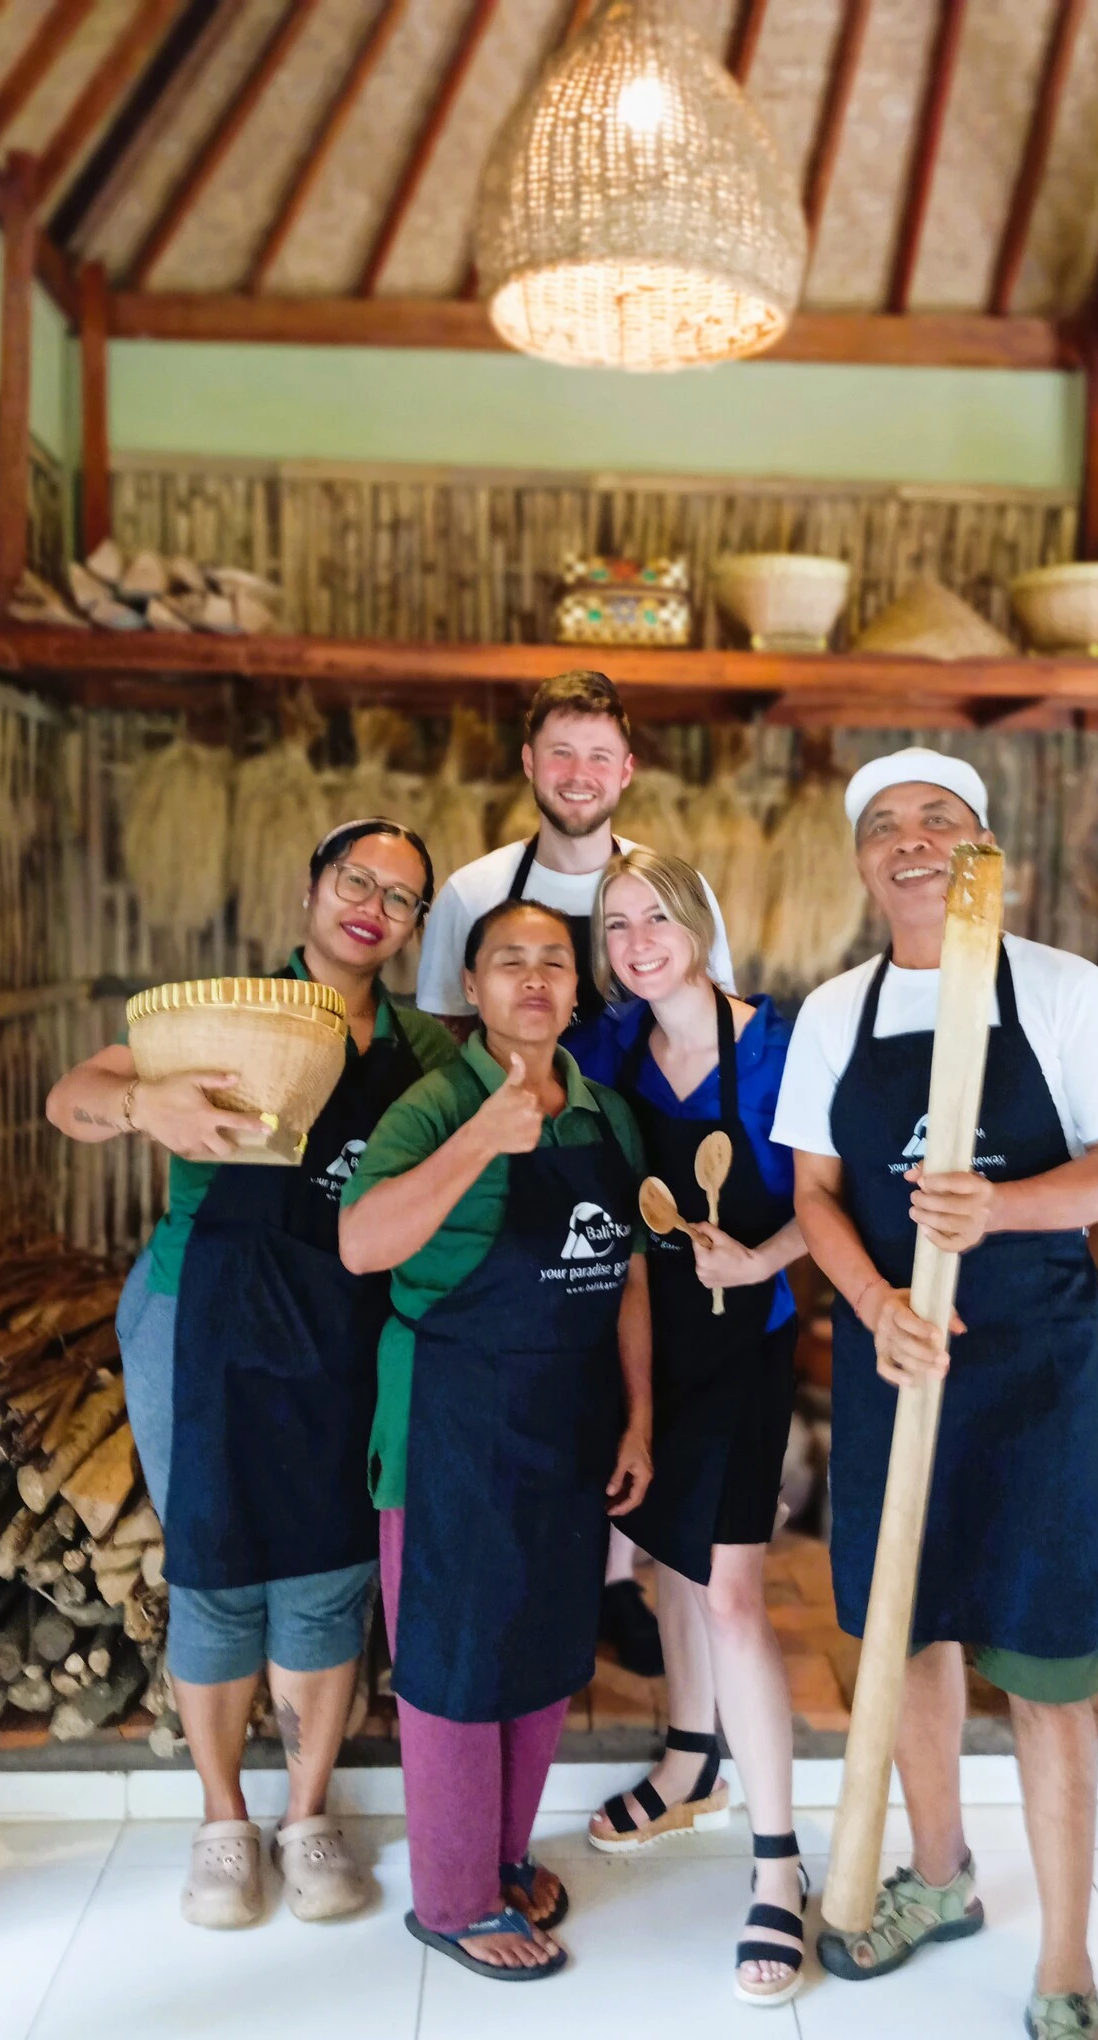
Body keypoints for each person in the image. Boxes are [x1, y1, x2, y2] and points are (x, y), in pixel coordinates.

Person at [770, 749, 1098, 2040]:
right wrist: (878, 1306)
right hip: (901, 1367)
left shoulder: (1058, 990)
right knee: (912, 1635)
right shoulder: (836, 1012)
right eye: (885, 824)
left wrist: (999, 1206)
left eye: (939, 817)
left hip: (1037, 1376)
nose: (912, 838)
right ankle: (939, 1881)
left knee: (1050, 1672)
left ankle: (1063, 1963)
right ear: (865, 862)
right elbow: (816, 1198)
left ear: (983, 845)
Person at [47, 819, 456, 1930]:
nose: (372, 905)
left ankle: (308, 1814)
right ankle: (225, 1822)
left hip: (346, 1321)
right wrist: (147, 1106)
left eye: (402, 897)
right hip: (199, 1314)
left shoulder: (424, 1054)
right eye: (354, 880)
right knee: (217, 1567)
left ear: (418, 927)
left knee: (327, 1570)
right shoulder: (216, 1012)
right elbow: (72, 1098)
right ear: (315, 888)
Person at [338, 899, 653, 1982]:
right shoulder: (432, 1107)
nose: (532, 979)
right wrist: (484, 1134)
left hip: (568, 1420)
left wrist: (640, 1418)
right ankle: (452, 1898)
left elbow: (626, 1275)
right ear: (468, 990)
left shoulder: (606, 1116)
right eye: (506, 962)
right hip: (450, 1420)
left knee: (543, 1650)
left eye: (553, 963)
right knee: (453, 1661)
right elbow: (360, 1243)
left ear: (578, 990)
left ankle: (504, 1856)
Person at [416, 668, 733, 1676]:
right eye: (561, 752)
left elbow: (706, 1013)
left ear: (628, 769)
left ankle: (619, 1578)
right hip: (516, 1145)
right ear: (529, 765)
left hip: (639, 1147)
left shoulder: (665, 886)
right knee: (544, 1358)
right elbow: (445, 1038)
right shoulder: (474, 891)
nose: (580, 773)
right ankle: (557, 1569)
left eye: (600, 754)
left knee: (640, 1354)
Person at [577, 848, 810, 2008]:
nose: (636, 941)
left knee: (729, 1595)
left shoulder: (775, 1046)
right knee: (667, 1557)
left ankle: (778, 1866)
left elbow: (848, 1194)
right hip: (641, 1342)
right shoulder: (610, 1050)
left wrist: (759, 1253)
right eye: (615, 926)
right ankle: (688, 1762)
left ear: (700, 923)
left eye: (655, 916)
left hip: (741, 1347)